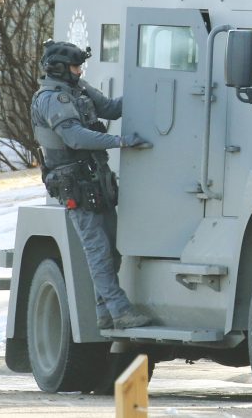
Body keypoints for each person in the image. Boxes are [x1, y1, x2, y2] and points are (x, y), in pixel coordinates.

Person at [31, 40, 153, 329]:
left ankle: (105, 313)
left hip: (95, 180)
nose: (79, 70)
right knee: (97, 250)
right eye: (75, 66)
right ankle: (120, 311)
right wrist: (119, 142)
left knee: (112, 250)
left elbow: (110, 109)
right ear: (60, 68)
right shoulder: (51, 98)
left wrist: (145, 87)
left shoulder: (78, 89)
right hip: (75, 184)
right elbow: (75, 137)